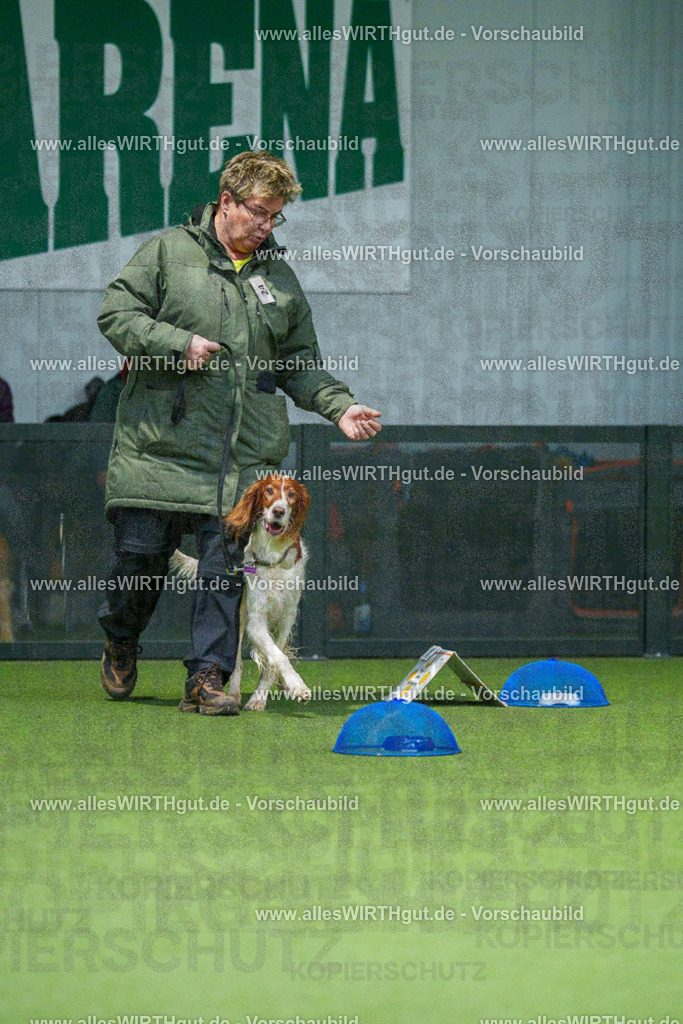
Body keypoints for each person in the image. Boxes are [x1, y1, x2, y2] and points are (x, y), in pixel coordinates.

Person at [96, 151, 381, 715]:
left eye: (276, 217)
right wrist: (179, 345)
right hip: (159, 448)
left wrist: (339, 407)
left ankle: (207, 678)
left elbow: (300, 362)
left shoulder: (279, 278)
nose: (266, 225)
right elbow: (115, 314)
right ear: (225, 202)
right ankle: (122, 639)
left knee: (226, 570)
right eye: (258, 212)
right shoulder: (166, 252)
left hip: (240, 460)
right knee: (139, 565)